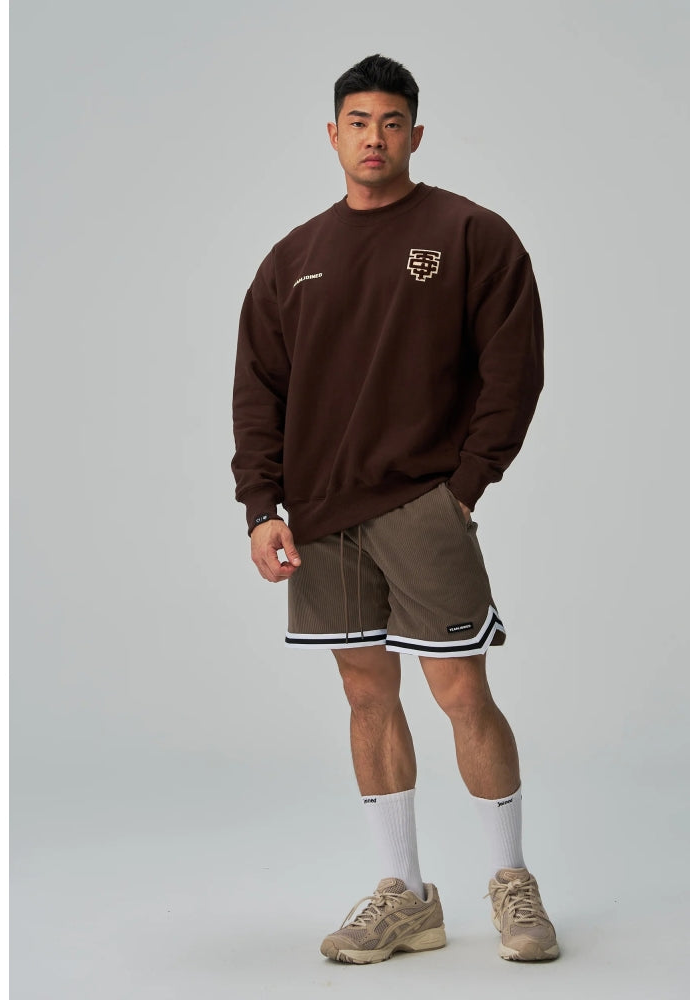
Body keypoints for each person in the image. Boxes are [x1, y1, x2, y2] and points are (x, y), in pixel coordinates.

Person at [231, 54, 557, 964]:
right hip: (321, 515)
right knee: (365, 693)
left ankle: (512, 881)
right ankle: (406, 896)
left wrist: (464, 488)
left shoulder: (469, 234)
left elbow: (514, 369)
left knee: (461, 692)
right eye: (357, 122)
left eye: (390, 122)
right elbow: (258, 388)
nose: (373, 138)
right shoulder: (293, 258)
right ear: (332, 134)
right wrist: (261, 505)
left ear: (415, 134)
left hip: (422, 505)